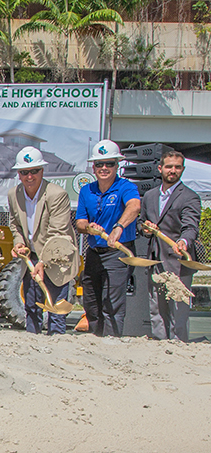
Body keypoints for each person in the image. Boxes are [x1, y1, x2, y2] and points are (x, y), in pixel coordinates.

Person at [8, 147, 79, 335]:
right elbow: (14, 223)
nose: (29, 176)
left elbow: (58, 232)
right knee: (31, 305)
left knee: (55, 307)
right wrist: (19, 242)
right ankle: (33, 345)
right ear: (18, 173)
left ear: (42, 171)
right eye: (24, 172)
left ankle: (56, 348)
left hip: (56, 256)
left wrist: (43, 262)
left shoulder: (57, 194)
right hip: (31, 257)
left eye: (34, 171)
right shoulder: (14, 194)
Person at [75, 140, 141, 337]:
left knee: (111, 302)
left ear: (117, 165)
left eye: (109, 163)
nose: (104, 168)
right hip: (94, 253)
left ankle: (112, 343)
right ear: (93, 167)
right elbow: (79, 222)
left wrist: (119, 227)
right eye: (99, 164)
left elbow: (134, 206)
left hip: (118, 254)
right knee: (91, 302)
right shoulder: (87, 190)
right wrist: (89, 228)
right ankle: (96, 342)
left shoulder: (125, 187)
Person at [141, 150, 200, 342]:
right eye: (169, 166)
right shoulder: (149, 196)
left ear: (182, 169)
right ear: (160, 168)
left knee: (178, 315)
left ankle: (179, 352)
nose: (173, 170)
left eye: (177, 167)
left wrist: (184, 241)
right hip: (156, 262)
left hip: (179, 264)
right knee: (157, 311)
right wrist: (146, 229)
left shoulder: (190, 197)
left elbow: (191, 226)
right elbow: (140, 224)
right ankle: (160, 349)